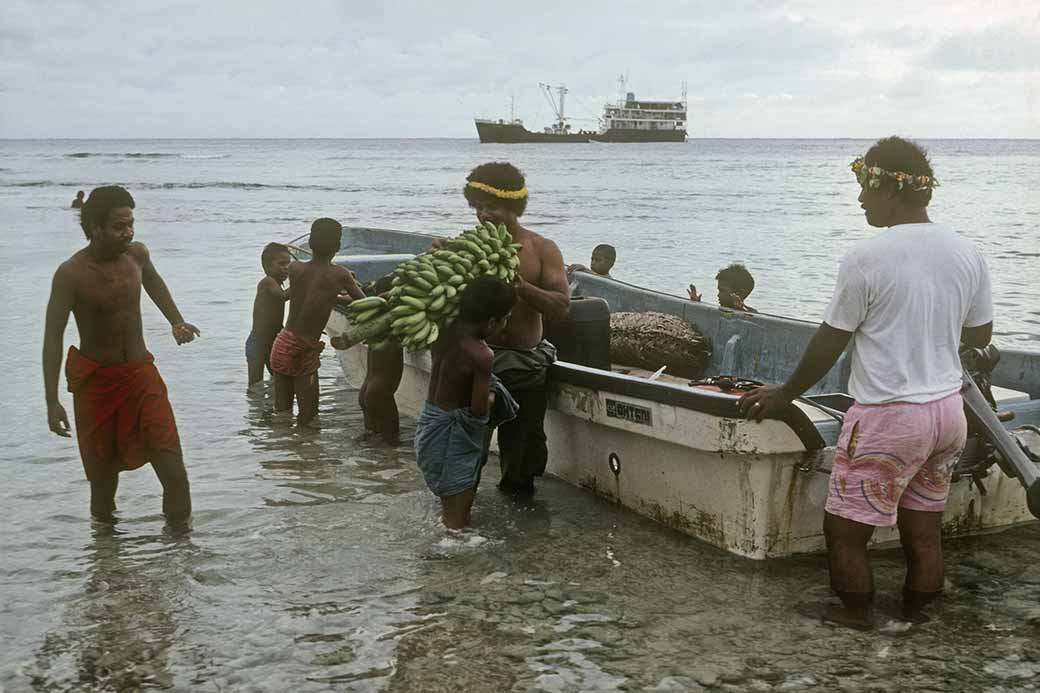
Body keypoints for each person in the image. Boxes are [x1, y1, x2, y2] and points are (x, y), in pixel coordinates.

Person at [738, 137, 992, 628]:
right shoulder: (966, 251)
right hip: (946, 413)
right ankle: (918, 623)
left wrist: (783, 395)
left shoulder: (866, 257)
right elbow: (978, 336)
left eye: (863, 189)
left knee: (846, 533)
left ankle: (857, 622)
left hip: (890, 416)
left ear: (889, 191)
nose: (859, 200)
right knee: (923, 533)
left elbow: (830, 341)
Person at [43, 186, 200, 527]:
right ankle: (106, 555)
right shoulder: (70, 274)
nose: (128, 232)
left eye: (131, 223)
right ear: (95, 228)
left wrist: (176, 321)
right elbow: (53, 335)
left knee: (173, 467)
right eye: (119, 226)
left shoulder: (137, 255)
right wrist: (51, 400)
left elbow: (154, 283)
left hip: (141, 375)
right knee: (102, 482)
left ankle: (180, 552)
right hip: (97, 384)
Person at [460, 162, 570, 496]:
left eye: (491, 207)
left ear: (512, 207)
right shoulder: (466, 249)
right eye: (477, 207)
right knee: (467, 451)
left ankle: (522, 535)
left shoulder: (542, 249)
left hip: (526, 367)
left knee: (522, 456)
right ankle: (460, 524)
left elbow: (561, 305)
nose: (483, 215)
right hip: (479, 366)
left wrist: (522, 289)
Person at [415, 276, 519, 528]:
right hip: (452, 437)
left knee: (449, 508)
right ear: (491, 321)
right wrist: (494, 393)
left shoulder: (441, 328)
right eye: (504, 320)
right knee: (457, 522)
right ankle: (449, 563)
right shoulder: (481, 354)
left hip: (430, 425)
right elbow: (479, 409)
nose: (504, 327)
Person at [270, 218, 364, 425]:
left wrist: (337, 294)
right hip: (303, 351)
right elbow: (364, 301)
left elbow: (309, 294)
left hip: (282, 344)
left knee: (282, 413)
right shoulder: (341, 274)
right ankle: (307, 453)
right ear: (338, 246)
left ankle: (280, 451)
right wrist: (348, 282)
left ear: (311, 243)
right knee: (308, 417)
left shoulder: (295, 269)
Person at [357, 274, 404, 445]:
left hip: (366, 391)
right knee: (392, 444)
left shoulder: (375, 324)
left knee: (372, 443)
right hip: (381, 393)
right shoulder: (396, 323)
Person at [246, 243, 292, 389]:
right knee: (255, 386)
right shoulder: (267, 282)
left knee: (278, 382)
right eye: (281, 264)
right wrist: (301, 282)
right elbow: (283, 296)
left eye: (288, 264)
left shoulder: (278, 283)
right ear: (267, 266)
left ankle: (272, 409)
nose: (286, 268)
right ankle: (256, 411)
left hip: (274, 340)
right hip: (258, 342)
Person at [688, 262, 757, 312]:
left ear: (739, 293)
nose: (718, 295)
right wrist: (695, 305)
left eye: (722, 291)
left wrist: (740, 312)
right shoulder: (721, 311)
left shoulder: (751, 315)